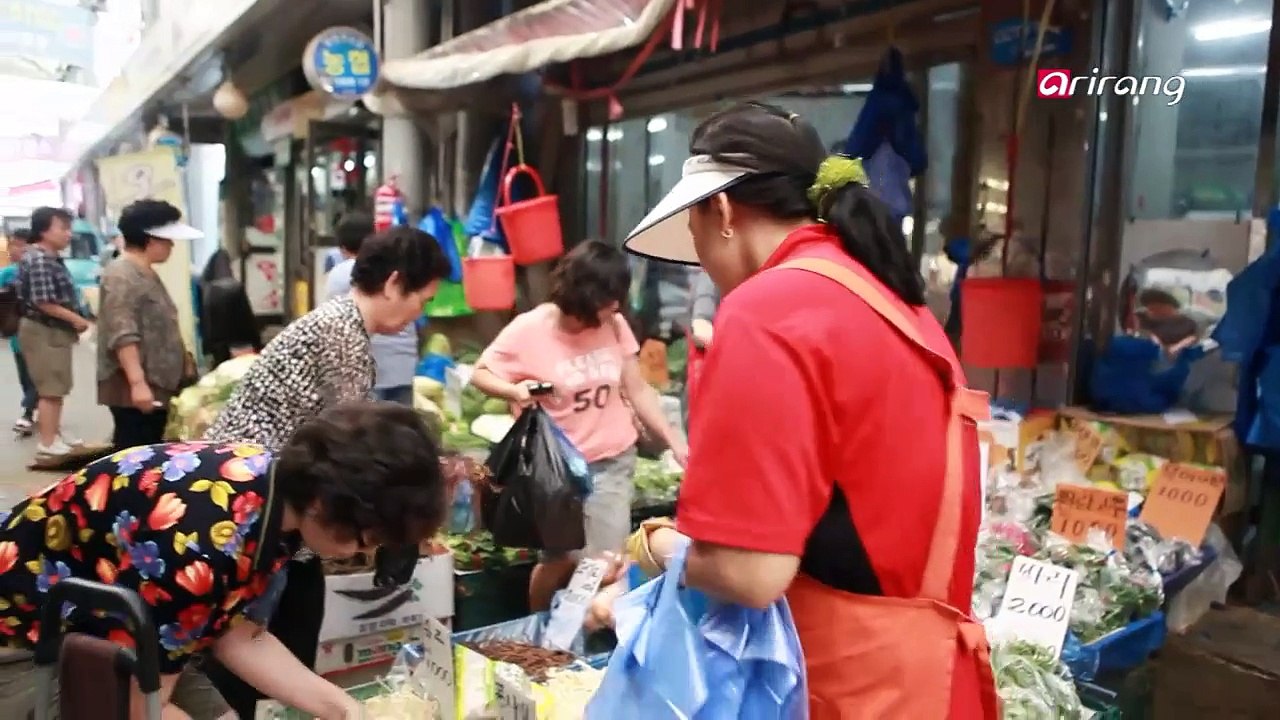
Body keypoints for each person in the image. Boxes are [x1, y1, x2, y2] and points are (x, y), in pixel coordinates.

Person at [595, 102, 996, 718]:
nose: (700, 260)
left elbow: (749, 573)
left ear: (721, 210)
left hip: (847, 685)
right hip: (927, 677)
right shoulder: (889, 299)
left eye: (694, 235)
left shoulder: (770, 307)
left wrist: (662, 548)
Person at [0, 401, 450, 720]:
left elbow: (240, 636)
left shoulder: (269, 488)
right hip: (26, 634)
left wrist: (345, 709)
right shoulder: (201, 548)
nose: (364, 553)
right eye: (365, 539)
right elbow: (142, 710)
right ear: (324, 505)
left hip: (124, 622)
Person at [197, 224, 451, 717]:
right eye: (422, 299)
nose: (420, 314)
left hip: (266, 496)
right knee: (250, 636)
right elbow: (361, 447)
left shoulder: (341, 325)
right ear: (395, 283)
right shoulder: (343, 334)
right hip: (252, 506)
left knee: (276, 624)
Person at [470, 240, 688, 610]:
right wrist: (514, 389)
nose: (615, 307)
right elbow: (481, 372)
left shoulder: (614, 324)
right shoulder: (531, 328)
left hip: (612, 459)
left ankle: (580, 632)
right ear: (583, 296)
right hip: (558, 472)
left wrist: (674, 442)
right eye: (607, 300)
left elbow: (636, 389)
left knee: (607, 560)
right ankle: (539, 629)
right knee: (559, 559)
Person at [98, 200, 199, 449]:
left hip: (157, 385)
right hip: (137, 391)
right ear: (151, 240)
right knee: (135, 455)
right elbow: (123, 333)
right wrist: (137, 384)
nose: (172, 246)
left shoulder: (144, 272)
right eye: (168, 240)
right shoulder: (122, 275)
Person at [16, 207, 92, 459]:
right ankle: (47, 443)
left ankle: (54, 435)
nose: (68, 234)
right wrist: (76, 319)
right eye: (63, 228)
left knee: (57, 386)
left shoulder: (48, 257)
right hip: (43, 330)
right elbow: (43, 301)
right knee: (50, 389)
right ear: (44, 230)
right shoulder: (39, 259)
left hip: (51, 331)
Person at [325, 212, 419, 405]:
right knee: (401, 430)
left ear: (342, 248)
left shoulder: (338, 275)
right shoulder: (396, 268)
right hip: (403, 365)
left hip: (368, 370)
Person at [1, 229, 37, 434]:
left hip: (39, 332)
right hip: (16, 333)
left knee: (37, 376)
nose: (18, 250)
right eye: (14, 245)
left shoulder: (38, 269)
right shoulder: (6, 273)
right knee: (25, 376)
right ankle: (31, 405)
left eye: (23, 245)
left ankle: (27, 411)